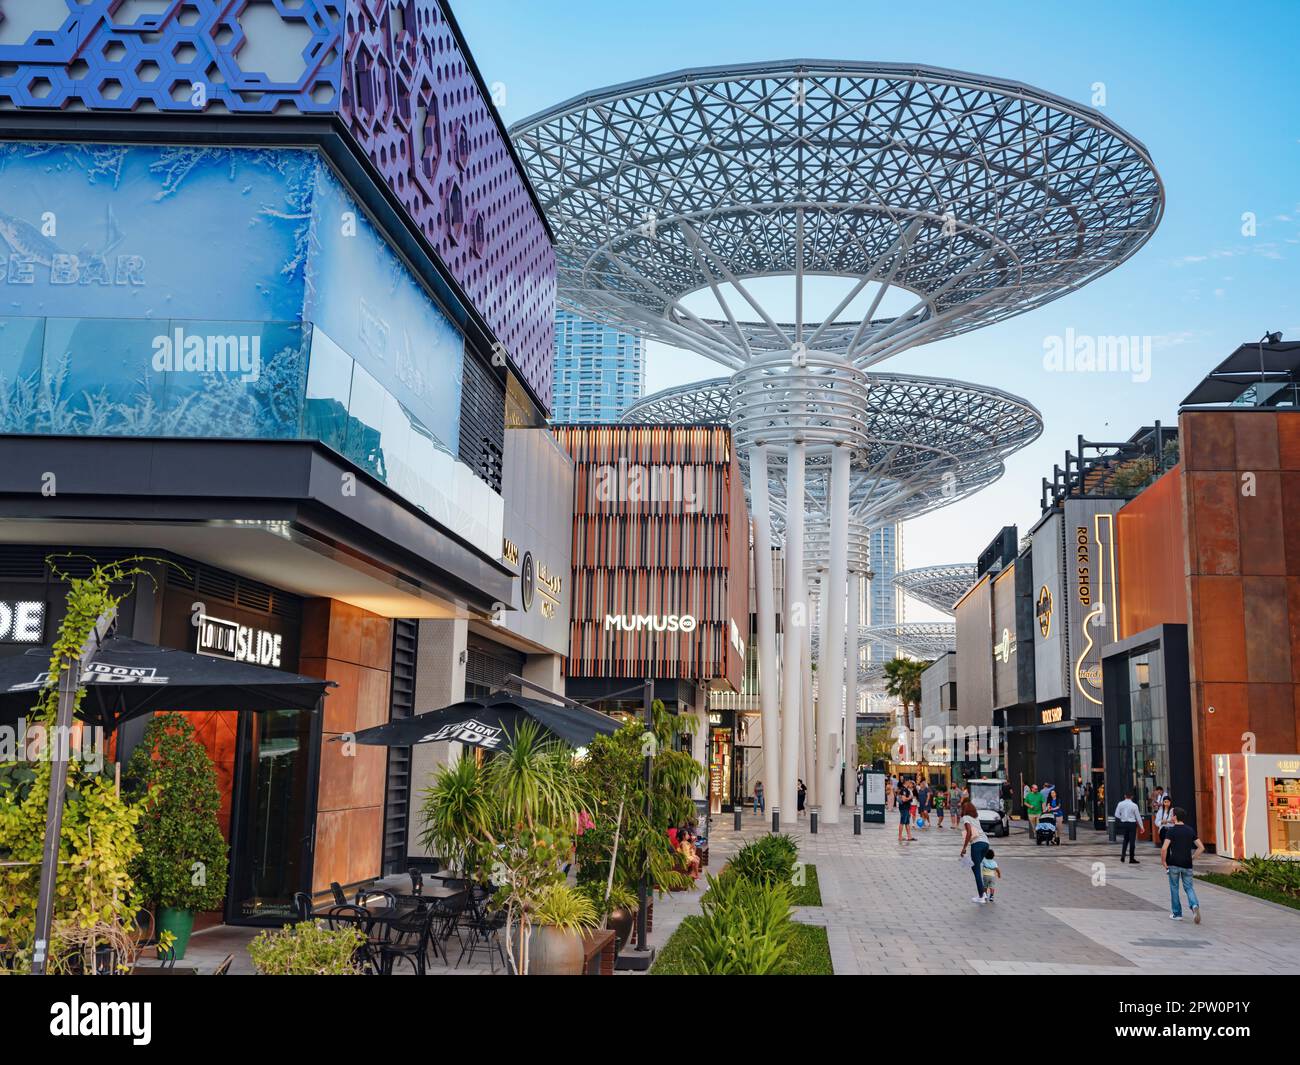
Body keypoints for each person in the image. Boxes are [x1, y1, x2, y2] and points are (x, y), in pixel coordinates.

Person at [1161, 808, 1204, 922]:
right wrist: (1192, 857)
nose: (1171, 817)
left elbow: (1164, 848)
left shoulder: (1171, 831)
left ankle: (1177, 913)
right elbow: (1201, 847)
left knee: (1174, 888)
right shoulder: (1190, 830)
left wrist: (1164, 861)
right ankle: (1194, 905)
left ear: (1175, 817)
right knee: (1189, 887)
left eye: (1172, 815)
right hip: (1187, 863)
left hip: (1174, 863)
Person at [958, 800, 991, 903]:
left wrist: (964, 848)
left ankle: (981, 896)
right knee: (974, 866)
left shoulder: (966, 817)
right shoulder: (975, 817)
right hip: (986, 843)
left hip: (977, 844)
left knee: (976, 869)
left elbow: (969, 833)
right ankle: (983, 893)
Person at [1115, 790, 1141, 864]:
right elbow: (1138, 817)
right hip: (1132, 824)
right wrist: (1142, 827)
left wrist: (1122, 818)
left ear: (1125, 796)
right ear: (1132, 797)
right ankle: (1131, 858)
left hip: (1124, 823)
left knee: (1125, 840)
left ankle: (1123, 856)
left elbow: (1116, 814)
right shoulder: (1134, 805)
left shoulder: (1120, 804)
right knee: (1132, 841)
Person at [896, 778, 915, 842]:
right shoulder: (903, 790)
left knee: (907, 823)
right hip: (904, 808)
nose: (910, 784)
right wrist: (910, 797)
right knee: (902, 822)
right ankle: (900, 836)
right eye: (909, 782)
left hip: (907, 808)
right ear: (906, 782)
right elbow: (904, 799)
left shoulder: (906, 789)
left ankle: (909, 836)